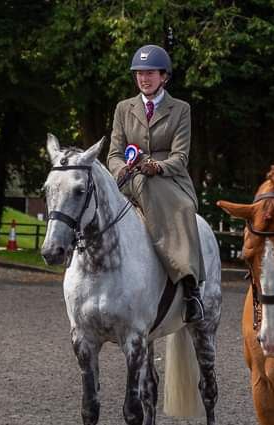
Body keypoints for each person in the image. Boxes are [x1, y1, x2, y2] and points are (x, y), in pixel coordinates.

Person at [108, 44, 205, 323]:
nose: (144, 78)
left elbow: (180, 157)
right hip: (129, 176)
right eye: (139, 73)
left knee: (181, 207)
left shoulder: (181, 109)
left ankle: (189, 282)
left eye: (150, 73)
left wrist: (156, 167)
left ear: (164, 76)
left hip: (168, 180)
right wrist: (121, 170)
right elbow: (114, 153)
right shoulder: (123, 108)